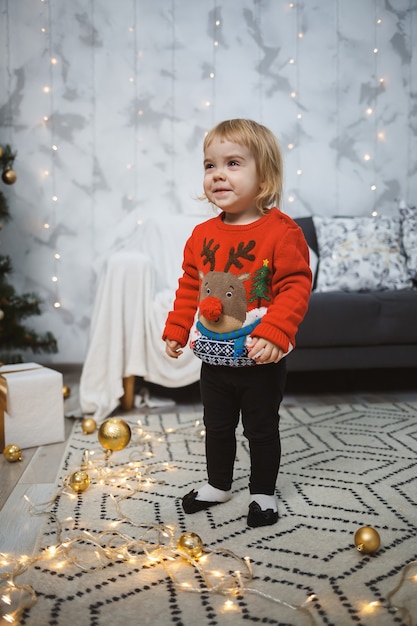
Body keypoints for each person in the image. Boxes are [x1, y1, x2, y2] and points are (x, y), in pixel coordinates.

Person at [162, 119, 312, 527]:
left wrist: (276, 332)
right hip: (214, 358)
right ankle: (218, 483)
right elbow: (190, 286)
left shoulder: (282, 233)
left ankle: (262, 493)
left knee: (261, 429)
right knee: (217, 425)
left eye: (232, 163)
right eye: (210, 165)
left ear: (263, 175)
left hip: (259, 358)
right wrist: (177, 328)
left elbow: (296, 286)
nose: (218, 174)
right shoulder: (201, 235)